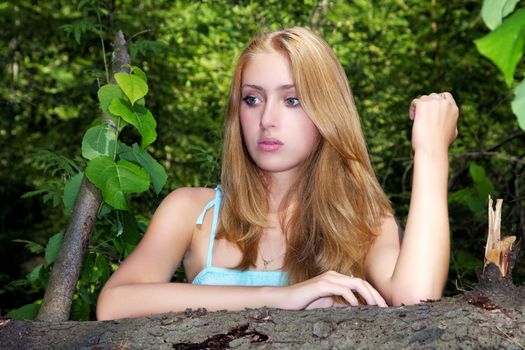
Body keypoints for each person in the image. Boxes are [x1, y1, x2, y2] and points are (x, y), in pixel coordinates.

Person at [96, 27, 458, 320]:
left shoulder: (365, 221)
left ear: (327, 110)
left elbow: (417, 300)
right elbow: (114, 303)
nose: (267, 120)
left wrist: (430, 151)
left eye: (292, 100)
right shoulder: (193, 212)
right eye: (252, 99)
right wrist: (282, 297)